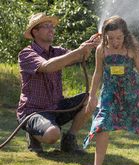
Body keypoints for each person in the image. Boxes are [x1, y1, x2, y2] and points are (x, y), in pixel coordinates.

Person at [83, 15, 139, 165]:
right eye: (111, 38)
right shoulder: (101, 49)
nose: (115, 41)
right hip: (109, 93)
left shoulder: (132, 50)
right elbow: (97, 73)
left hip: (130, 91)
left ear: (125, 35)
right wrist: (92, 96)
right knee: (102, 125)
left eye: (119, 37)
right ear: (105, 36)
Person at [17, 12, 100, 153]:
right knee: (53, 135)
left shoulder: (57, 51)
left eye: (52, 26)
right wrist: (79, 51)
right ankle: (34, 134)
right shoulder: (26, 54)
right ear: (35, 32)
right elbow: (49, 66)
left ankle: (69, 140)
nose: (51, 29)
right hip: (34, 112)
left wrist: (89, 46)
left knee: (90, 99)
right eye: (46, 26)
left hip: (57, 107)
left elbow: (78, 57)